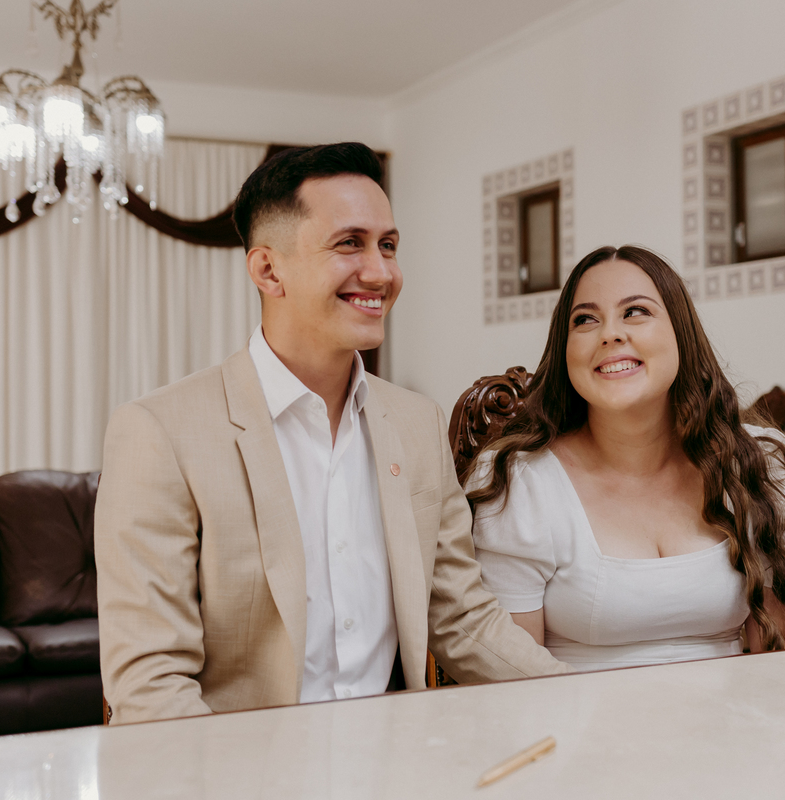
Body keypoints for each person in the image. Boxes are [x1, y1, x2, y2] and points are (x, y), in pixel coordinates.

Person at [95, 143, 569, 724]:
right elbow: (151, 682)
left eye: (388, 245)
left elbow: (462, 620)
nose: (381, 272)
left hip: (398, 756)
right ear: (268, 270)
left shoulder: (417, 422)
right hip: (240, 766)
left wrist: (589, 702)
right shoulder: (159, 432)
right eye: (349, 243)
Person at [466, 245, 785, 672]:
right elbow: (514, 679)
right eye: (585, 319)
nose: (610, 334)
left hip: (733, 712)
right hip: (574, 711)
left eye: (635, 311)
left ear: (681, 334)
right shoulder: (520, 483)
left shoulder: (761, 466)